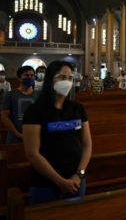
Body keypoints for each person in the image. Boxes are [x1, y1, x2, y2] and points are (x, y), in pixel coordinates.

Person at [22, 61, 92, 204]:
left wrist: (79, 175)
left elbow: (87, 144)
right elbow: (32, 153)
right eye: (62, 77)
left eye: (70, 78)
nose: (66, 82)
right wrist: (60, 182)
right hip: (46, 184)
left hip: (76, 182)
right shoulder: (35, 111)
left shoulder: (77, 108)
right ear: (50, 80)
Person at [1, 66, 38, 144]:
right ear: (19, 78)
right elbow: (4, 117)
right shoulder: (10, 95)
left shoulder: (39, 95)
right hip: (14, 137)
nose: (30, 77)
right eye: (26, 75)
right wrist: (19, 135)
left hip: (34, 136)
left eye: (32, 75)